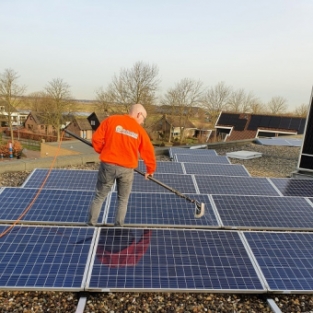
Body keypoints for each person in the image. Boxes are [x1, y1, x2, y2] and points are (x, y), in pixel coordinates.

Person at [88, 103, 156, 226]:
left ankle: (91, 224)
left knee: (99, 196)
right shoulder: (139, 130)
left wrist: (102, 150)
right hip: (127, 169)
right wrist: (150, 170)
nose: (142, 122)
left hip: (108, 166)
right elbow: (148, 151)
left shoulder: (111, 120)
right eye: (143, 118)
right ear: (139, 114)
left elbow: (96, 139)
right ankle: (118, 227)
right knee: (123, 200)